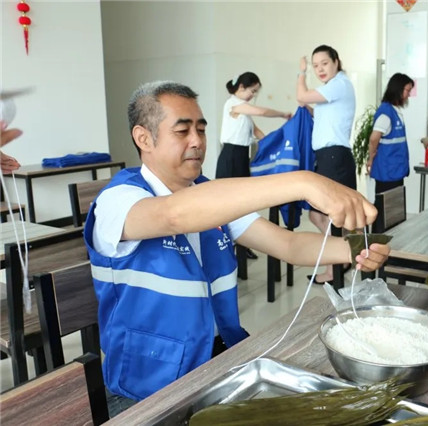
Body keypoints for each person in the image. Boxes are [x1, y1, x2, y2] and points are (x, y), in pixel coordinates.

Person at [84, 81, 390, 415]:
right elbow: (174, 215)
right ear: (143, 138)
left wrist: (354, 250)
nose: (197, 141)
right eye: (182, 131)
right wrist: (304, 181)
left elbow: (288, 244)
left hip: (217, 362)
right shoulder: (118, 201)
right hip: (147, 388)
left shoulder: (210, 197)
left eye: (201, 130)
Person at [296, 45, 356, 284]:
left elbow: (301, 96)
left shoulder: (339, 85)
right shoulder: (333, 88)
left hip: (334, 157)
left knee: (329, 216)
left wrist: (301, 73)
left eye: (324, 63)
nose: (319, 69)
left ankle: (338, 263)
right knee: (317, 215)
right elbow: (322, 115)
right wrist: (307, 112)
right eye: (315, 66)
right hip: (328, 157)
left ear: (336, 62)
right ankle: (342, 256)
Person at [217, 71, 291, 259]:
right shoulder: (233, 104)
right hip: (231, 156)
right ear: (241, 87)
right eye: (252, 90)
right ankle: (227, 244)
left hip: (242, 156)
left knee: (244, 201)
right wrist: (283, 114)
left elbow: (257, 131)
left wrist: (273, 145)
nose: (253, 95)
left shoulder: (244, 110)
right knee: (228, 202)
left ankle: (243, 244)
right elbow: (262, 112)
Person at [366, 73, 414, 193]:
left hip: (395, 170)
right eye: (407, 90)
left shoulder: (395, 111)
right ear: (398, 89)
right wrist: (371, 158)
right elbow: (374, 138)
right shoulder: (386, 112)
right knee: (386, 203)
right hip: (387, 172)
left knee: (396, 203)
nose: (409, 94)